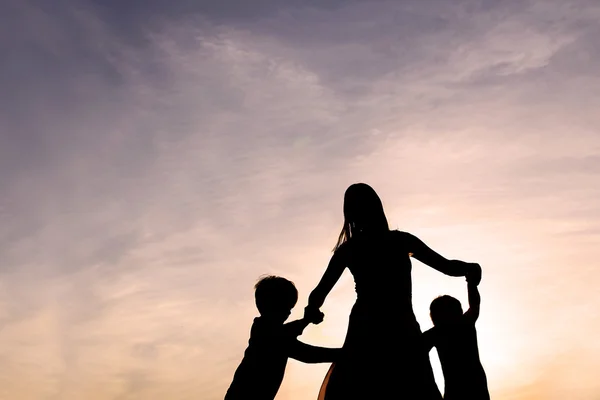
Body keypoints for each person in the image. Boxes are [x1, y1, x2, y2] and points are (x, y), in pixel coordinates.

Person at [304, 183, 482, 399]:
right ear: (378, 208)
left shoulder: (349, 249)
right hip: (400, 325)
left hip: (366, 327)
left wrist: (312, 311)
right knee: (412, 387)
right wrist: (470, 270)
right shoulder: (401, 240)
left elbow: (318, 294)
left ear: (349, 214)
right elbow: (448, 266)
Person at [225, 275, 340, 400]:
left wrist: (306, 320)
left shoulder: (266, 330)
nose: (289, 312)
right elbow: (306, 353)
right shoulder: (266, 332)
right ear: (272, 304)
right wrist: (343, 353)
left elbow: (289, 333)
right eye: (286, 307)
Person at [422, 271, 490, 400]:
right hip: (476, 389)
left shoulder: (435, 333)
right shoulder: (464, 324)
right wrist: (471, 283)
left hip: (456, 392)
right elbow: (474, 306)